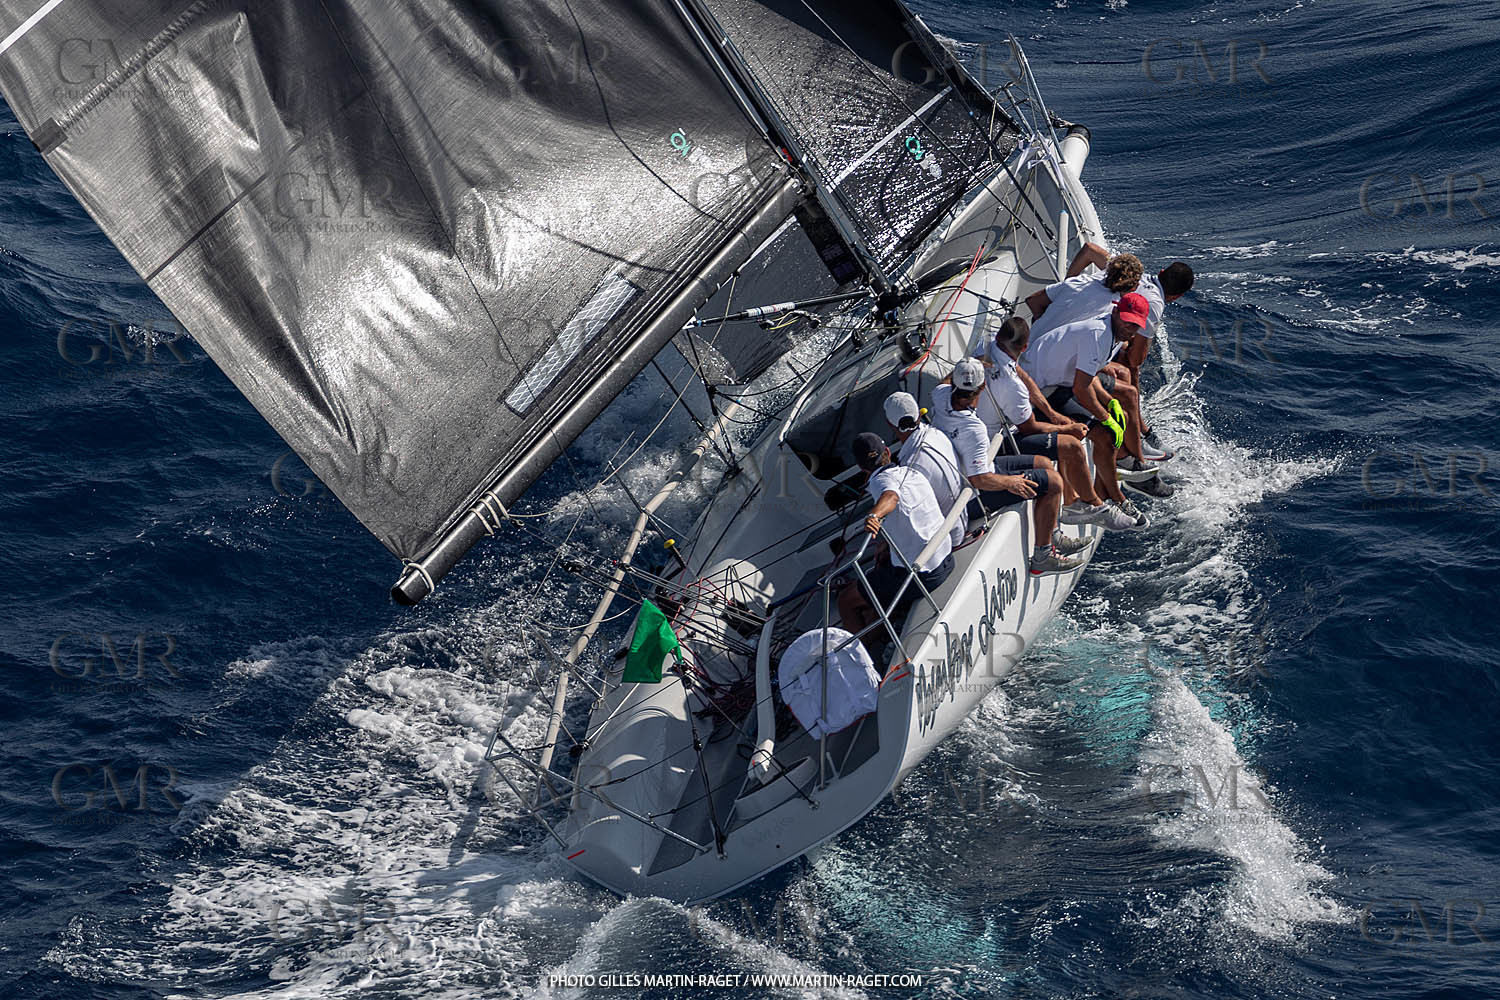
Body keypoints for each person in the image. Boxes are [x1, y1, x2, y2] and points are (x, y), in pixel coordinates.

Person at [976, 317, 1139, 531]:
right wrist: (1066, 428)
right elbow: (1030, 428)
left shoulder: (988, 348)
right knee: (1071, 445)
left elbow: (1022, 374)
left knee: (1068, 431)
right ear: (1025, 347)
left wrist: (1052, 413)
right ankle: (1092, 506)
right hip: (996, 443)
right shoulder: (1011, 387)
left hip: (991, 425)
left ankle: (1081, 499)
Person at [932, 359, 1092, 574]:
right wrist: (1012, 481)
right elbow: (979, 480)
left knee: (1043, 462)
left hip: (971, 469)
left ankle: (1053, 536)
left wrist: (971, 367)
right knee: (1054, 482)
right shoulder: (975, 429)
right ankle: (1043, 557)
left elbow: (946, 381)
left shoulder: (940, 396)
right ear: (983, 387)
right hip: (971, 494)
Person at [1019, 294, 1156, 526]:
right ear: (1115, 312)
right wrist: (1106, 418)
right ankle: (1099, 500)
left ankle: (1112, 495)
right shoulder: (1098, 335)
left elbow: (1089, 376)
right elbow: (1081, 388)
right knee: (1103, 431)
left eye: (1135, 325)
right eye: (1126, 321)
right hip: (1040, 390)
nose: (1130, 328)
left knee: (1109, 429)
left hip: (1059, 384)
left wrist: (1110, 405)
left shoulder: (1112, 334)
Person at [838, 432, 955, 639]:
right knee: (882, 568)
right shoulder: (912, 473)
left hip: (924, 576)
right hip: (946, 557)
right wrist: (885, 544)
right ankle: (886, 623)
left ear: (861, 467)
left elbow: (891, 496)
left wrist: (874, 515)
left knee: (846, 599)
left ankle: (861, 657)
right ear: (888, 452)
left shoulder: (879, 482)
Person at [1117, 261, 1195, 462]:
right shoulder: (1154, 304)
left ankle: (1140, 427)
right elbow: (1135, 360)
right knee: (1130, 369)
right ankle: (1135, 441)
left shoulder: (1138, 277)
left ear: (1160, 272)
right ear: (1177, 296)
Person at [884, 391, 967, 550]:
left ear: (890, 424)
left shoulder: (910, 469)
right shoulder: (936, 432)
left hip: (953, 537)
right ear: (919, 415)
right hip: (965, 512)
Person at [1025, 252, 1143, 341]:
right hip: (1050, 364)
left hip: (1028, 346)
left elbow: (1032, 301)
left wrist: (1045, 324)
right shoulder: (1113, 311)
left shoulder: (1078, 282)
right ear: (1134, 287)